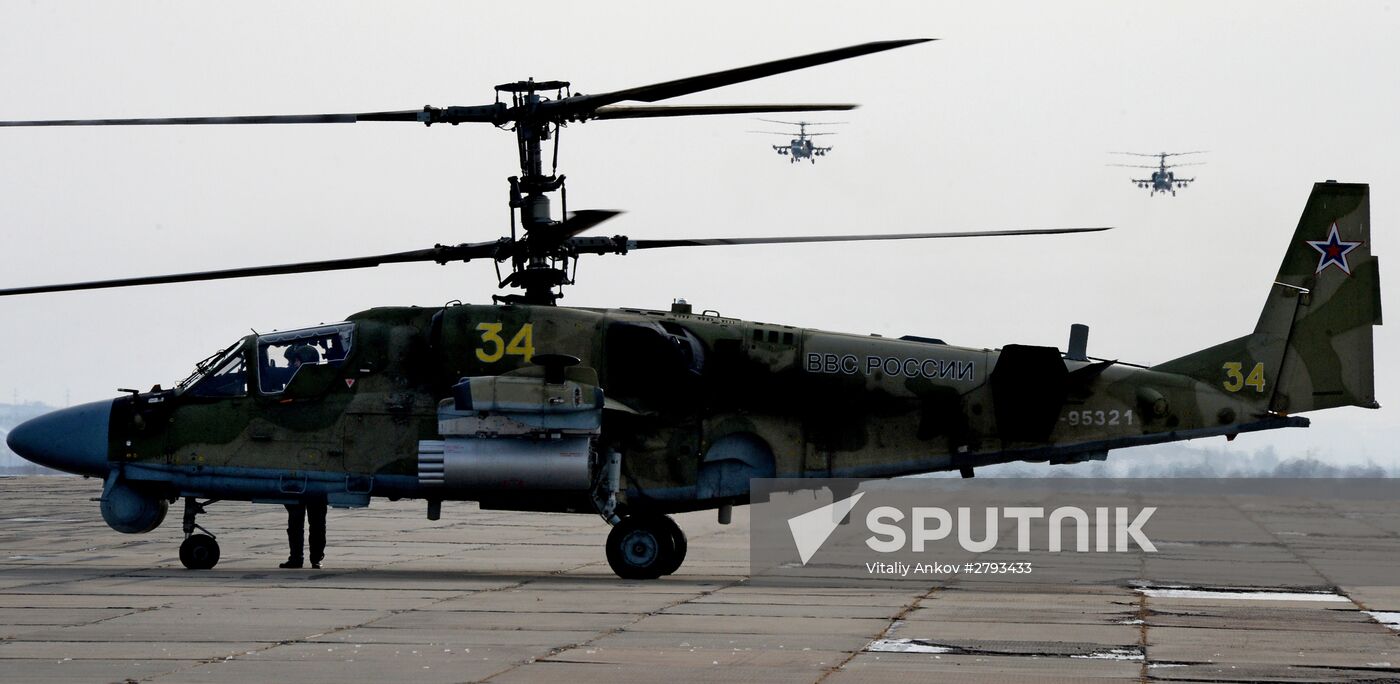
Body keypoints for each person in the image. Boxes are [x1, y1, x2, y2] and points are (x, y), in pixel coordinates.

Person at [279, 500, 327, 569]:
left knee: (297, 524)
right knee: (317, 524)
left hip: (299, 492)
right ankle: (314, 559)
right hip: (314, 493)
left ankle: (297, 558)